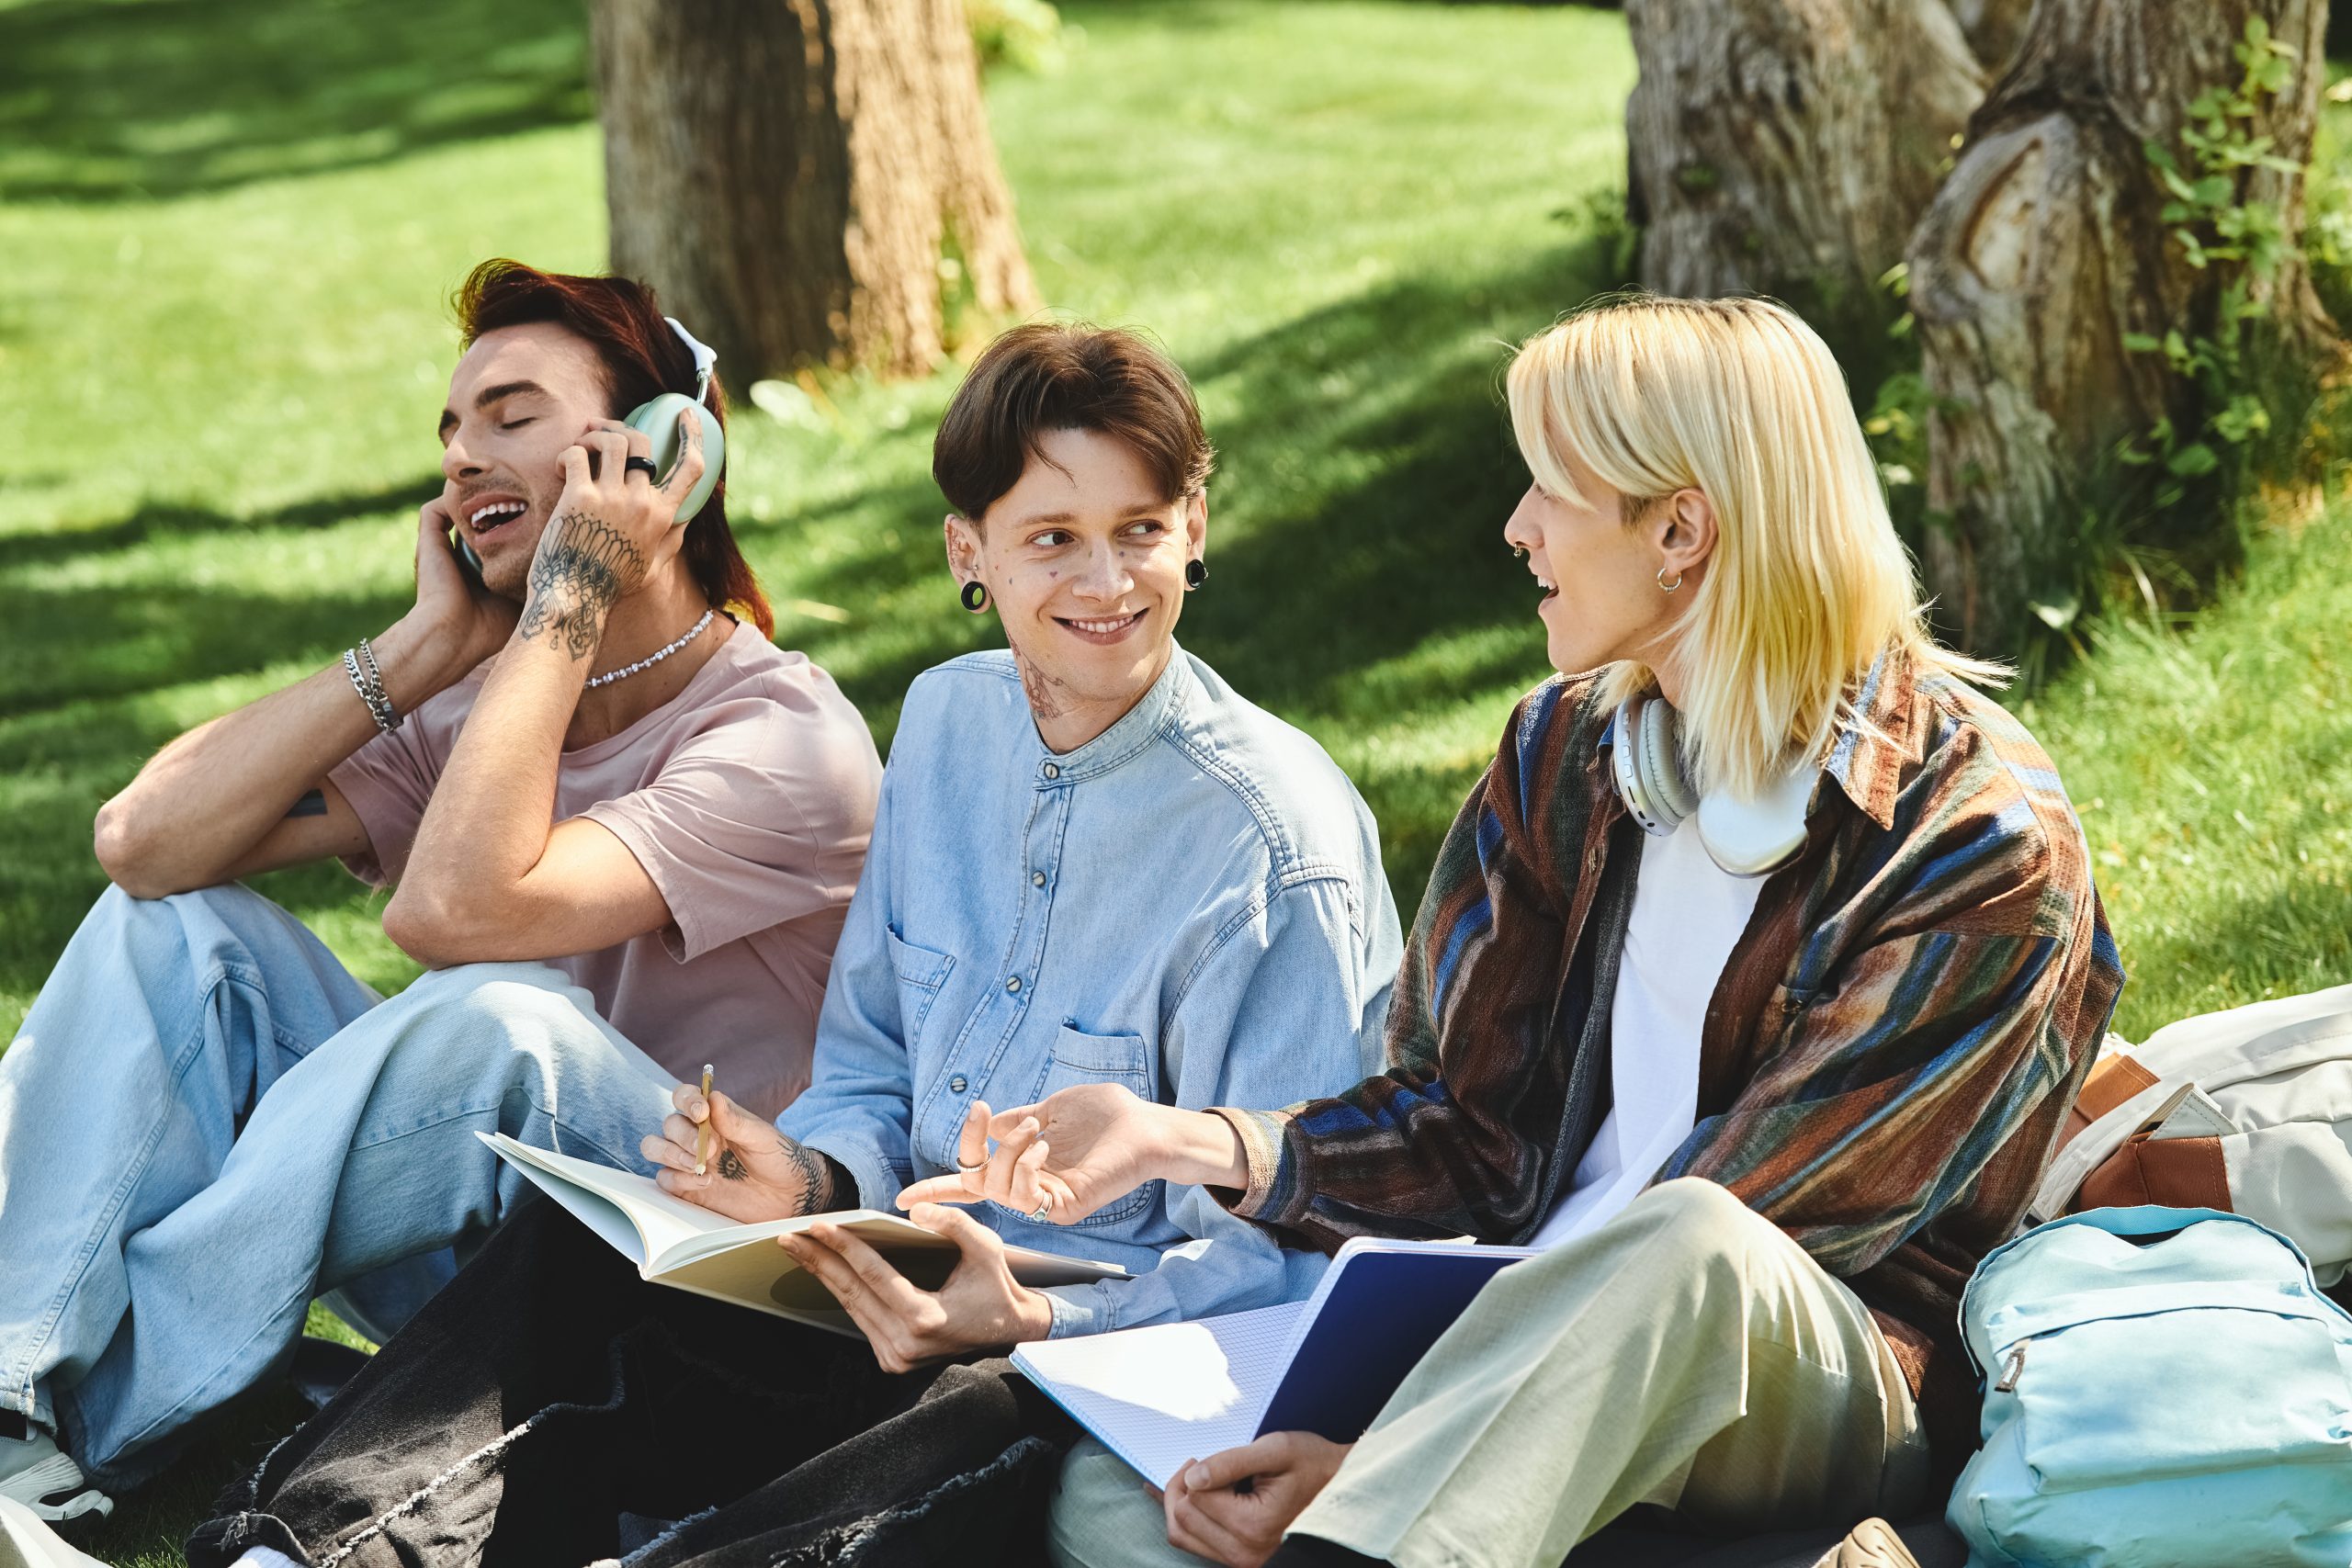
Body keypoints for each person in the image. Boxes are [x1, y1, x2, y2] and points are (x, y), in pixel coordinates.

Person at [912, 295, 2127, 1568]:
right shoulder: (1570, 751)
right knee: (1125, 1510)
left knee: (1691, 1244)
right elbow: (1467, 1129)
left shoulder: (1977, 842)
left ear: (1680, 530)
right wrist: (1182, 1141)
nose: (1515, 527)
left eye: (1550, 487)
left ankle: (1373, 1547)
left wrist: (1386, 1460)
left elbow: (1757, 1237)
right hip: (1518, 1325)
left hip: (1805, 1374)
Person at [175, 321, 1404, 1568]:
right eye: (1054, 541)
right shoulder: (946, 721)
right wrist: (810, 1186)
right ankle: (296, 1551)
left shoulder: (1277, 850)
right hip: (875, 1281)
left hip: (1074, 1357)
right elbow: (871, 1059)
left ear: (1194, 527)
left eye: (1141, 531)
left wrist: (1022, 1314)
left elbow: (1292, 1255)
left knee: (973, 1416)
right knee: (583, 1246)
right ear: (966, 552)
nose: (1107, 585)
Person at [0, 261, 882, 1520]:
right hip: (491, 1229)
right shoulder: (487, 697)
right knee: (180, 931)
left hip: (695, 1255)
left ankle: (103, 1412)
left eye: (511, 417)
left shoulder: (786, 742)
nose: (463, 460)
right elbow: (141, 842)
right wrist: (421, 651)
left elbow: (451, 920)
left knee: (501, 1017)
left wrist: (565, 596)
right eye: (452, 432)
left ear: (664, 452)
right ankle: (9, 1392)